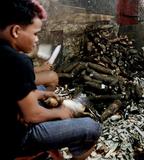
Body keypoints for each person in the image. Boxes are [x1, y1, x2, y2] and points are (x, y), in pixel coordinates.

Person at [0, 0, 101, 159]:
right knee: (92, 127)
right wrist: (60, 113)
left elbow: (12, 88)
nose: (37, 40)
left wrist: (40, 96)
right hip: (14, 141)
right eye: (35, 33)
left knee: (40, 91)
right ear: (16, 30)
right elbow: (31, 116)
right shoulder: (18, 61)